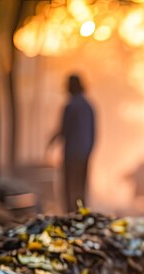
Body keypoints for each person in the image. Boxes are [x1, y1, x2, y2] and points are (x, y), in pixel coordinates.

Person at [49, 74, 95, 212]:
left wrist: (51, 142)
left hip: (71, 154)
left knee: (68, 188)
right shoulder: (89, 107)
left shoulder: (70, 107)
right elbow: (93, 132)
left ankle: (70, 216)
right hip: (85, 153)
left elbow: (63, 130)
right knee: (80, 187)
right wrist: (89, 150)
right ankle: (81, 216)